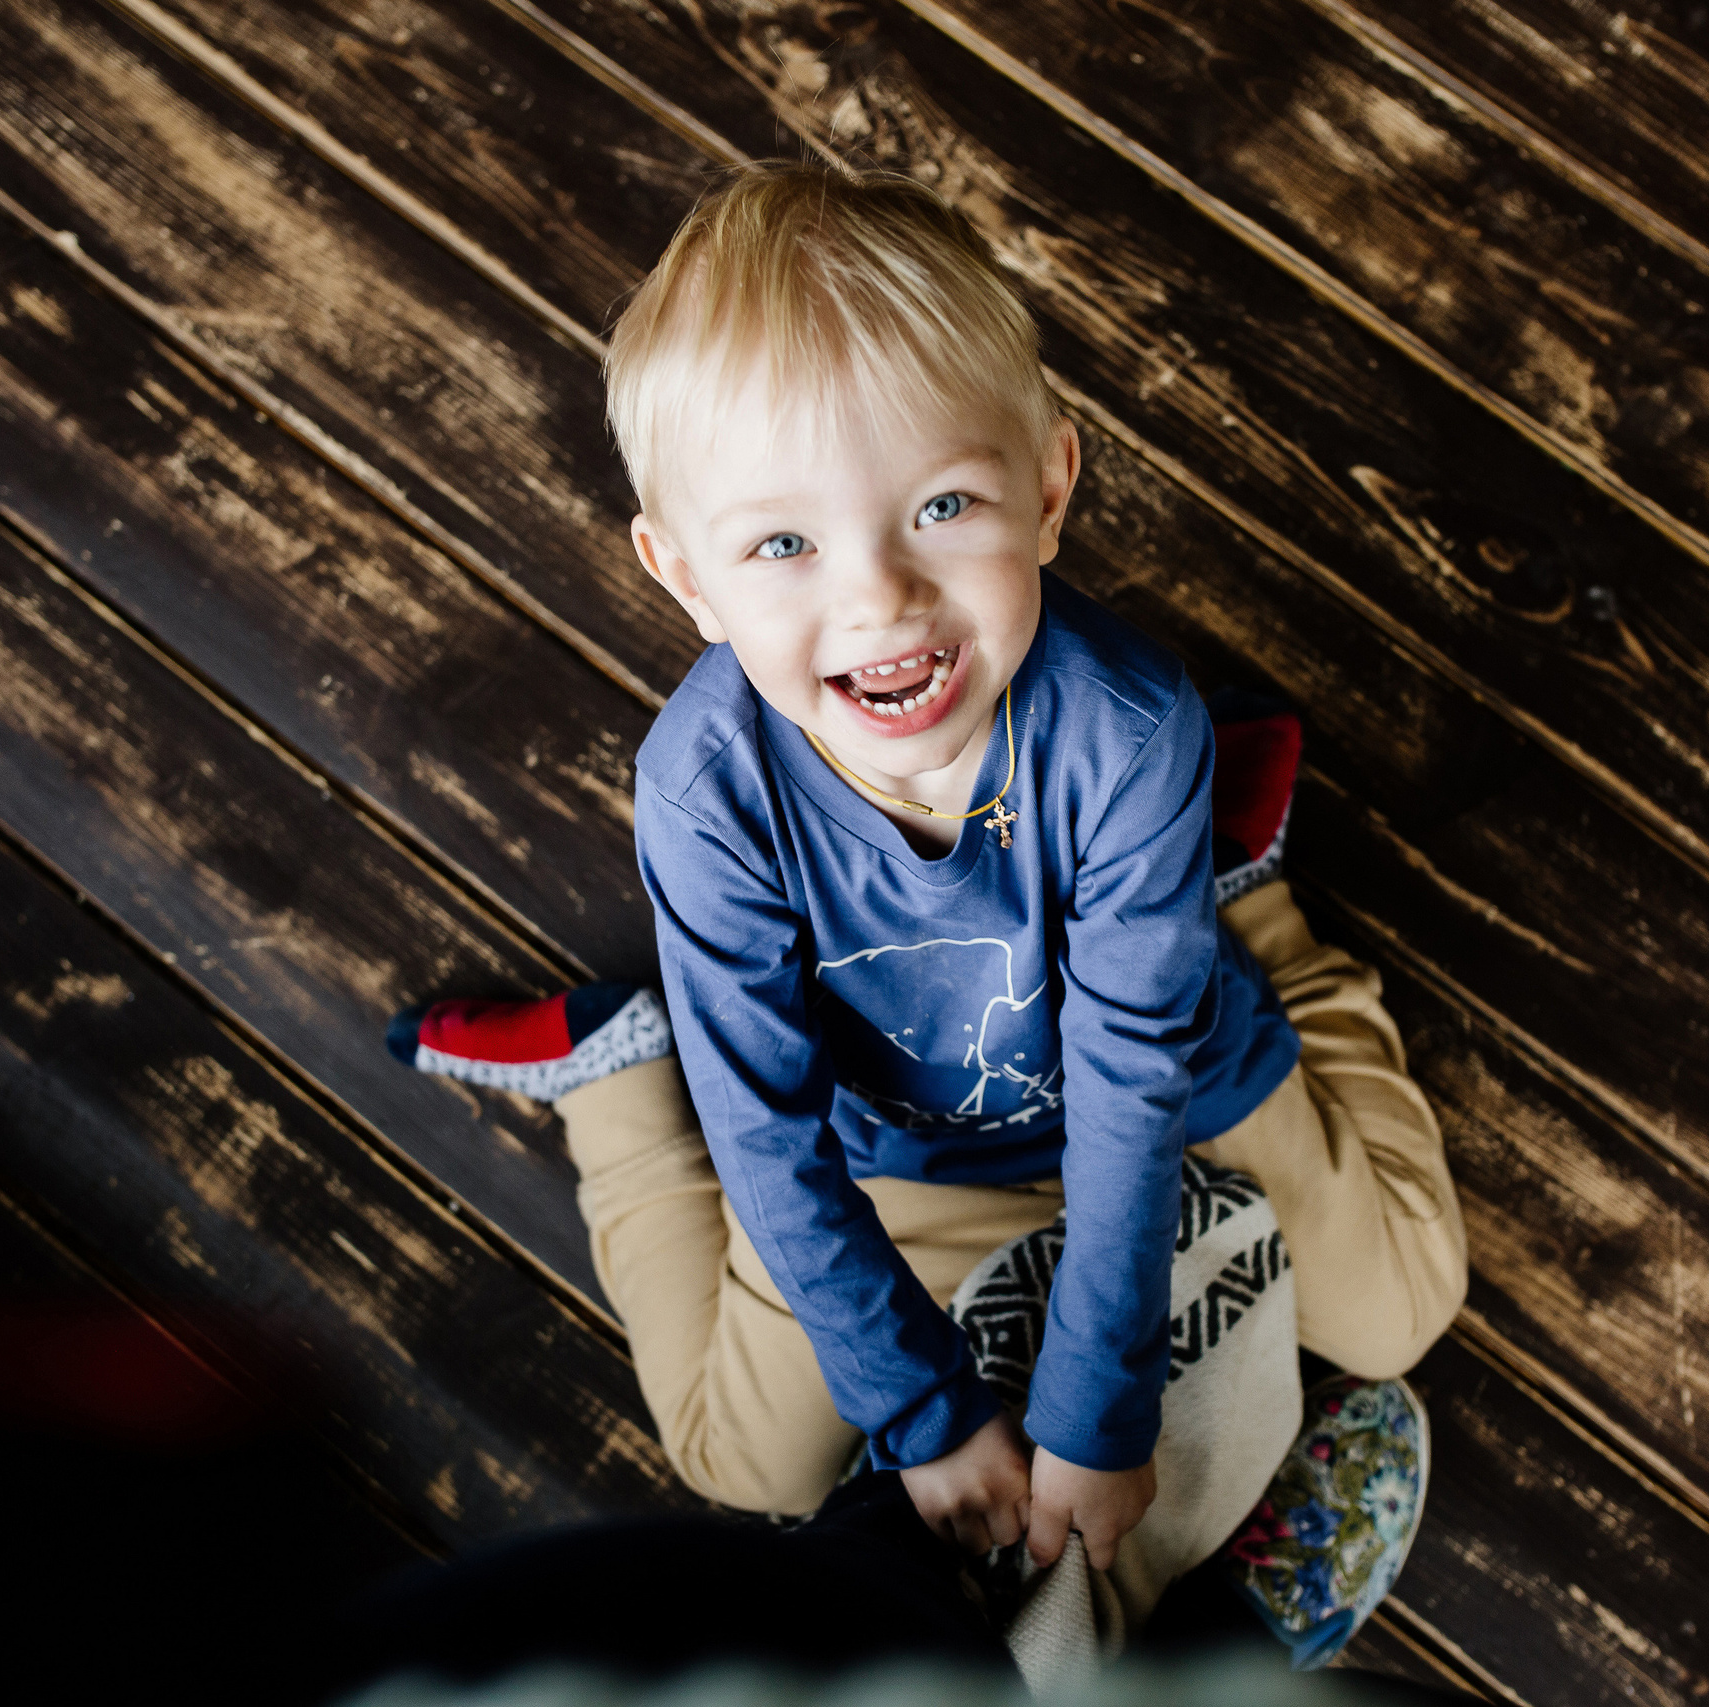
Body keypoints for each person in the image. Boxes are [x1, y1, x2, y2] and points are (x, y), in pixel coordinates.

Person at [389, 162, 1466, 1585]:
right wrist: (922, 1411)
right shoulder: (704, 793)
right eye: (782, 542)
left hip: (1167, 1086)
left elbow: (1136, 1074)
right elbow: (771, 1134)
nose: (879, 598)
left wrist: (1097, 1406)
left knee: (1402, 1311)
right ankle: (614, 1091)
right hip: (894, 1150)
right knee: (740, 1463)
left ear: (1052, 486)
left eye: (945, 508)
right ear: (686, 579)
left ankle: (1245, 895)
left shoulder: (1130, 723)